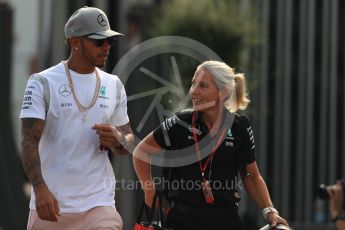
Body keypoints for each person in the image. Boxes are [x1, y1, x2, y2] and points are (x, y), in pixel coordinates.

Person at [133, 60, 289, 229]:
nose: (194, 91)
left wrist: (270, 211)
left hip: (225, 220)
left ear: (223, 93)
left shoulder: (239, 126)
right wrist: (149, 190)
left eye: (203, 86)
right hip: (181, 220)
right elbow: (141, 151)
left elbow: (251, 176)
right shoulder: (180, 122)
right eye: (193, 84)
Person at [20, 6, 133, 230]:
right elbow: (28, 140)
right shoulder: (42, 82)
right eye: (99, 42)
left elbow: (128, 141)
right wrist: (40, 188)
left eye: (110, 41)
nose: (107, 48)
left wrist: (118, 139)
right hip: (52, 205)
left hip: (98, 203)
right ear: (75, 42)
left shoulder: (114, 85)